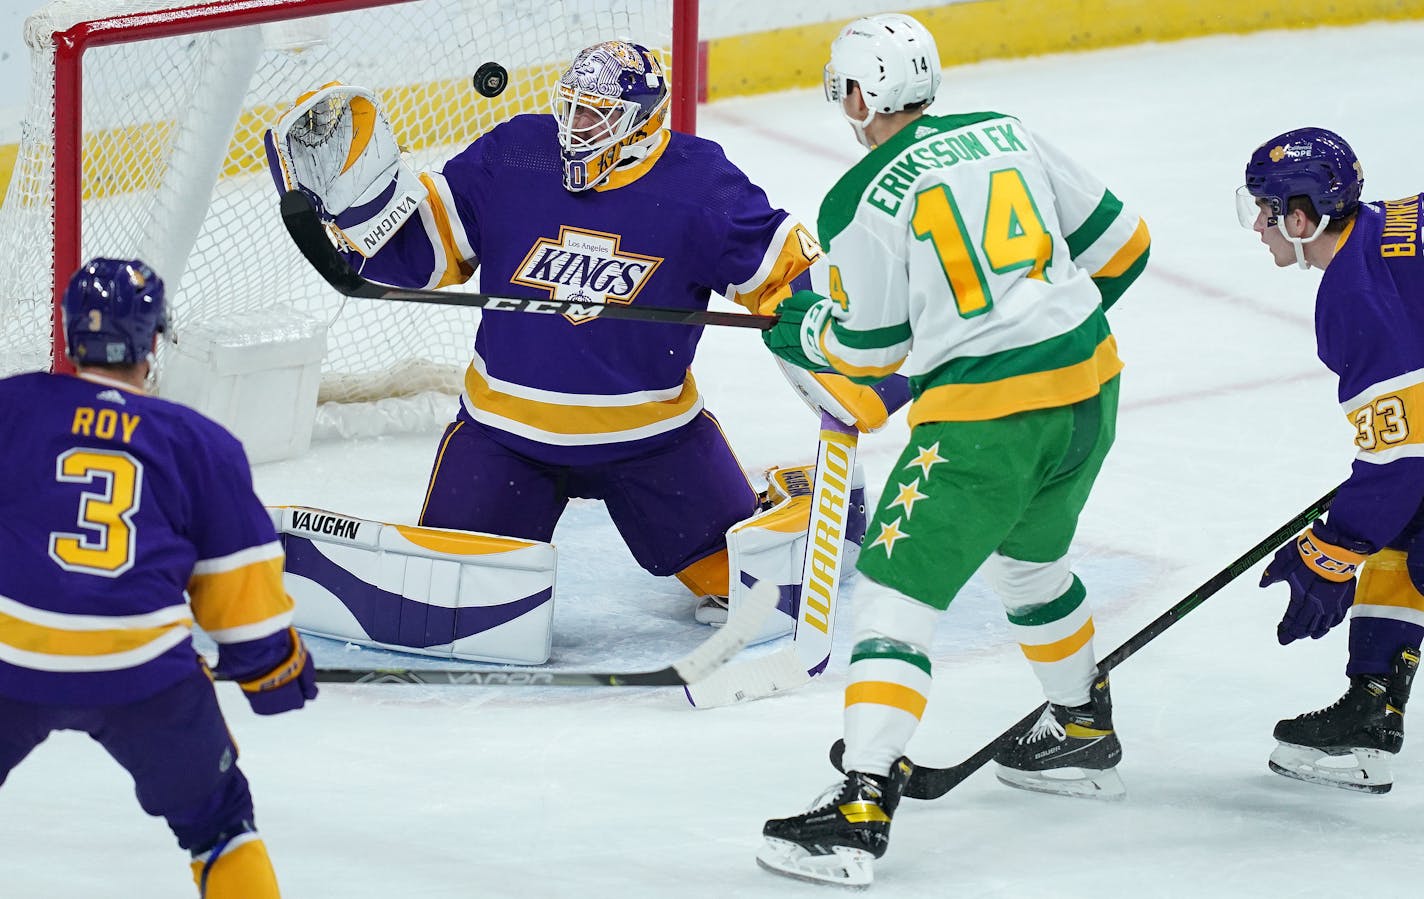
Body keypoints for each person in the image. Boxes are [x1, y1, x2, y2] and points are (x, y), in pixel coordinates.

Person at [754, 13, 1151, 887]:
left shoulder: (859, 197)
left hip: (983, 428)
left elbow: (866, 355)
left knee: (896, 593)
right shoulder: (1006, 131)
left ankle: (858, 806)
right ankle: (1080, 728)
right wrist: (1039, 327)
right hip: (1090, 392)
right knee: (1030, 566)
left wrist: (801, 322)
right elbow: (1126, 248)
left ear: (860, 94)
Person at [264, 41, 831, 626]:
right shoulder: (517, 156)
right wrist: (361, 215)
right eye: (571, 107)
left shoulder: (699, 184)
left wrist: (815, 329)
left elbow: (785, 269)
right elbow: (425, 255)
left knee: (742, 581)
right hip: (505, 436)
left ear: (641, 120)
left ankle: (794, 510)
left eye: (597, 113)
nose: (576, 127)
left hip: (651, 439)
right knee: (455, 594)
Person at [0, 259, 318, 897]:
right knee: (220, 825)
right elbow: (239, 588)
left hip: (10, 659)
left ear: (68, 334)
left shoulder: (11, 409)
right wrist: (270, 667)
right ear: (153, 339)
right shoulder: (197, 442)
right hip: (142, 672)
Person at [1238, 127, 1422, 794]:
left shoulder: (1354, 298)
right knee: (1408, 526)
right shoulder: (1393, 224)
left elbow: (1401, 461)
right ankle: (1370, 710)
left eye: (1266, 210)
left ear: (1301, 216)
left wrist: (1332, 550)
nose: (1258, 226)